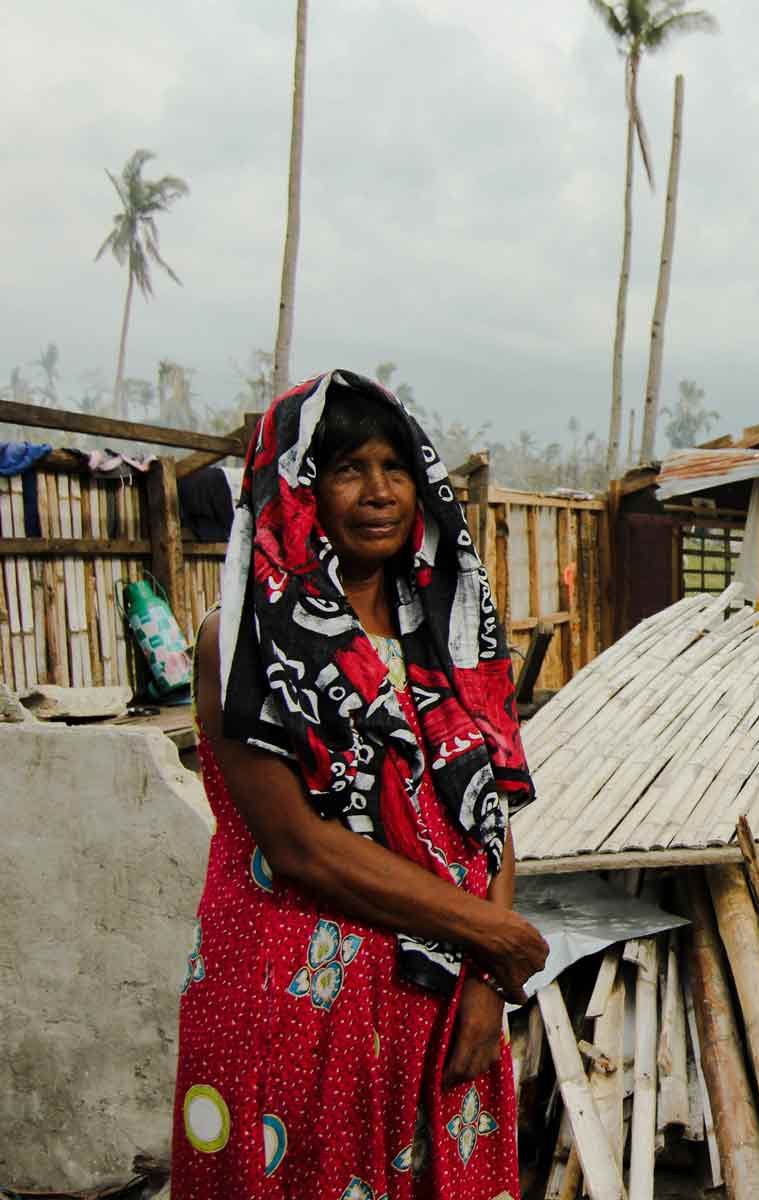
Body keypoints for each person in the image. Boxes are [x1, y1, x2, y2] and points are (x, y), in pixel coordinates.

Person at [173, 370, 549, 1199]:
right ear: (298, 490)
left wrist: (487, 981)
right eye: (346, 469)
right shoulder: (244, 639)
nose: (378, 493)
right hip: (297, 999)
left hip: (439, 999)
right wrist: (499, 937)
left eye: (396, 467)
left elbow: (486, 818)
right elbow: (299, 846)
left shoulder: (447, 636)